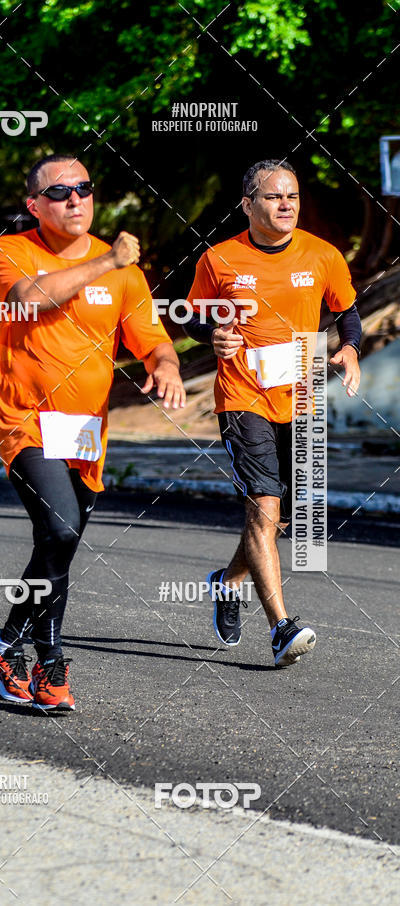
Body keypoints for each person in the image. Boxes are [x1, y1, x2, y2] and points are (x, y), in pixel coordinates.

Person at [0, 153, 185, 710]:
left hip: (86, 430)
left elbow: (153, 341)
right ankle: (50, 664)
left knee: (58, 545)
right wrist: (107, 260)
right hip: (26, 420)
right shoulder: (11, 251)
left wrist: (166, 367)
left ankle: (3, 651)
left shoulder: (125, 273)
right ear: (34, 205)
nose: (75, 198)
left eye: (84, 188)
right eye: (60, 191)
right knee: (62, 528)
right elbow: (27, 299)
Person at [185, 159, 361, 667]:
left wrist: (350, 349)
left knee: (278, 517)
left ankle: (227, 583)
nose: (286, 205)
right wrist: (213, 336)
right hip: (243, 397)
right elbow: (194, 316)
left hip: (301, 396)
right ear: (248, 204)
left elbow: (347, 311)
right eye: (273, 197)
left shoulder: (322, 254)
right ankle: (282, 627)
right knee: (263, 508)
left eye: (293, 197)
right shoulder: (219, 258)